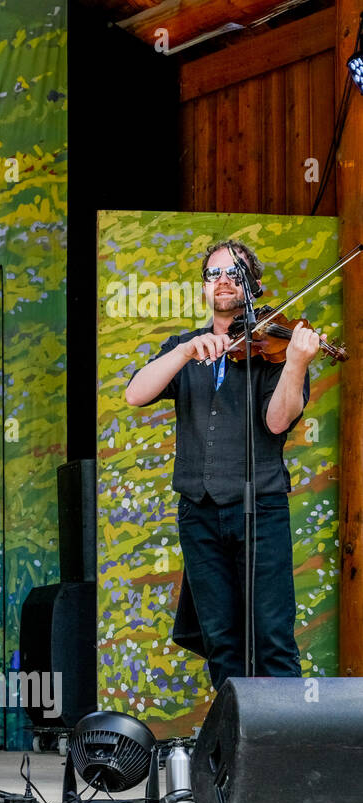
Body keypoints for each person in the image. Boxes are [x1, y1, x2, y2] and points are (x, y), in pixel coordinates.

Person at [124, 240, 318, 690]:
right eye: (213, 274)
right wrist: (186, 352)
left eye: (234, 273)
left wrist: (296, 364)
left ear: (254, 284)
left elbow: (276, 422)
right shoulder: (185, 347)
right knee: (221, 640)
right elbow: (136, 393)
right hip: (199, 511)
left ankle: (282, 752)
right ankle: (235, 752)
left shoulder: (277, 347)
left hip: (261, 508)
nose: (223, 281)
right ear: (206, 288)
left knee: (272, 636)